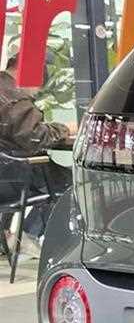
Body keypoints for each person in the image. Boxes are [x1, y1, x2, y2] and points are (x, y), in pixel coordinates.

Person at [0, 55, 74, 258]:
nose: (38, 90)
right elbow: (36, 137)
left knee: (52, 182)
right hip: (16, 176)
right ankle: (28, 235)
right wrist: (65, 128)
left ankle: (11, 236)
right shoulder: (14, 98)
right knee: (71, 184)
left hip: (6, 174)